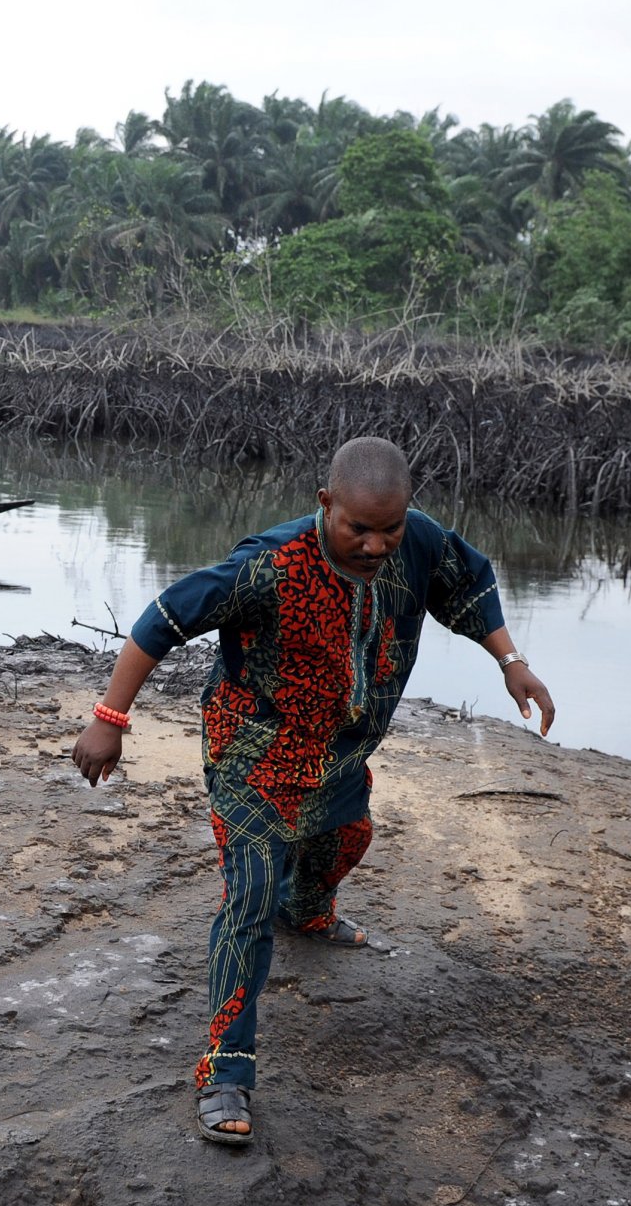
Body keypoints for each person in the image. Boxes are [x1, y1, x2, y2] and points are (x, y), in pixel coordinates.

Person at [71, 436, 555, 1146]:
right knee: (250, 898)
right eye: (358, 528)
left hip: (337, 754)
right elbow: (162, 621)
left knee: (348, 838)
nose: (375, 544)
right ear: (325, 503)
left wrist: (512, 662)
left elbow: (469, 583)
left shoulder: (414, 541)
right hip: (254, 757)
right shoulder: (268, 567)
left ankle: (311, 909)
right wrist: (109, 720)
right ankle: (225, 1070)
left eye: (388, 529)